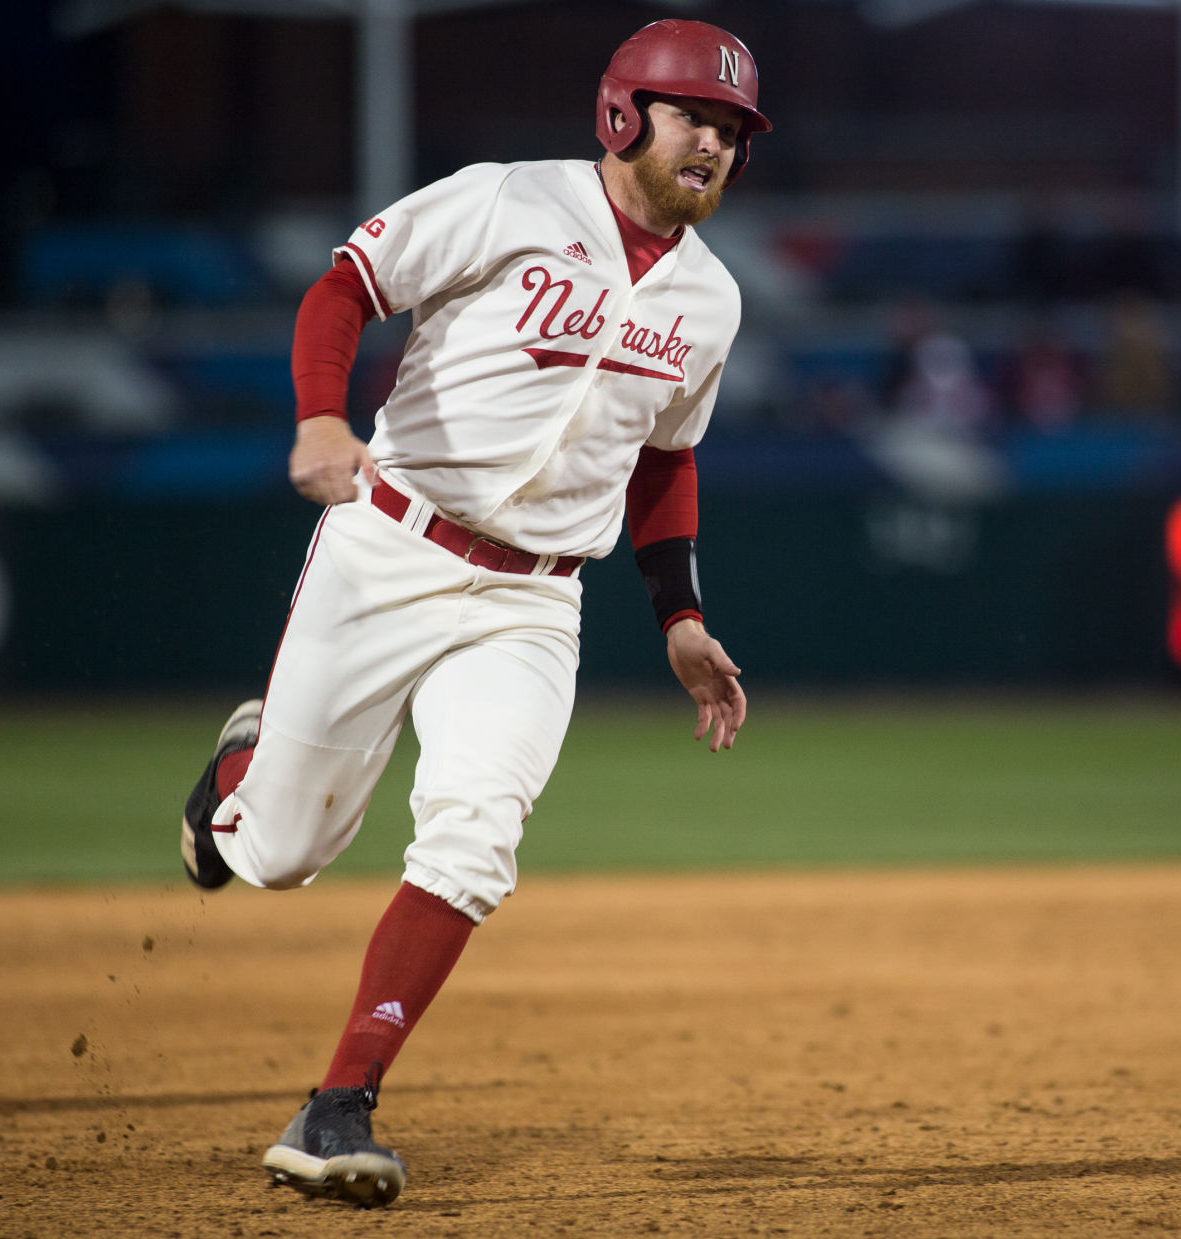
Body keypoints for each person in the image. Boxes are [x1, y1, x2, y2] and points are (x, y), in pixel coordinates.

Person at [176, 19, 766, 1210]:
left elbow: (665, 460)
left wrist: (679, 619)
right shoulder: (506, 201)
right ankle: (241, 777)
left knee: (474, 834)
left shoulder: (711, 299)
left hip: (532, 600)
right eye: (692, 114)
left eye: (734, 129)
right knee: (282, 857)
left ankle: (340, 1102)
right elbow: (344, 285)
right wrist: (320, 419)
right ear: (622, 115)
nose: (713, 140)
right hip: (388, 547)